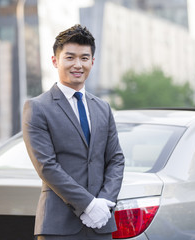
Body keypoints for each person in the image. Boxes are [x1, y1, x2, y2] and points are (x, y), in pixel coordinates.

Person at [22, 24, 125, 240]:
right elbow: (46, 166)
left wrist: (104, 203)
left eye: (84, 58)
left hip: (101, 224)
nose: (78, 64)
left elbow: (115, 159)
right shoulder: (37, 107)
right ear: (55, 61)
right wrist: (88, 205)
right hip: (58, 227)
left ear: (92, 62)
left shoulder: (103, 107)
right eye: (70, 57)